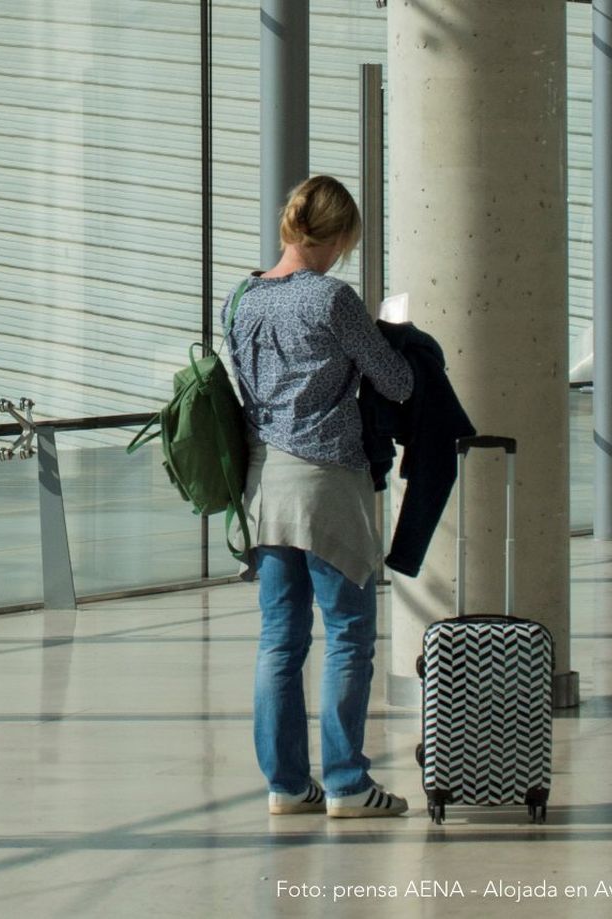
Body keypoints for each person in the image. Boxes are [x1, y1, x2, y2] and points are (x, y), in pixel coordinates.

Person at [224, 175, 413, 818]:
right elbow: (397, 383)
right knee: (350, 635)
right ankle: (347, 783)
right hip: (327, 482)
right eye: (346, 242)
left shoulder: (243, 299)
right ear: (332, 235)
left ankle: (285, 785)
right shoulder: (332, 300)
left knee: (280, 639)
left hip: (264, 485)